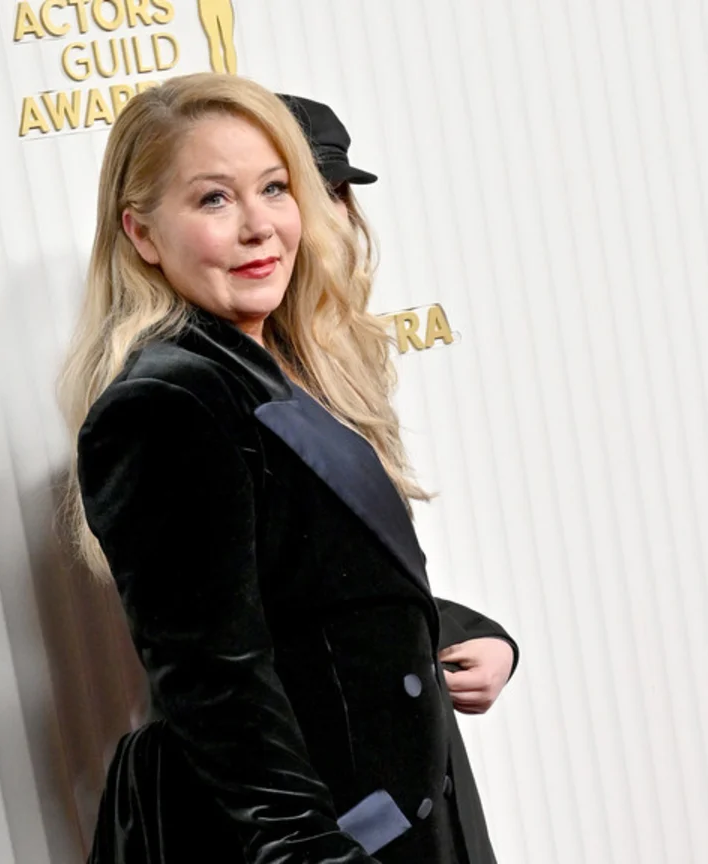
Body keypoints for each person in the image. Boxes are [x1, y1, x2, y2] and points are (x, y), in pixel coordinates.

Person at [60, 71, 507, 863]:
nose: (259, 226)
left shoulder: (284, 361)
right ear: (142, 234)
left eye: (274, 188)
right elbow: (221, 687)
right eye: (213, 200)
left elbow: (319, 586)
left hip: (395, 815)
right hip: (322, 839)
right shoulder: (170, 402)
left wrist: (466, 634)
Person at [279, 92, 518, 864]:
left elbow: (349, 582)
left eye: (336, 194)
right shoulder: (202, 397)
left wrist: (472, 634)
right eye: (305, 194)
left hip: (410, 778)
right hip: (329, 800)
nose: (329, 219)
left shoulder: (336, 357)